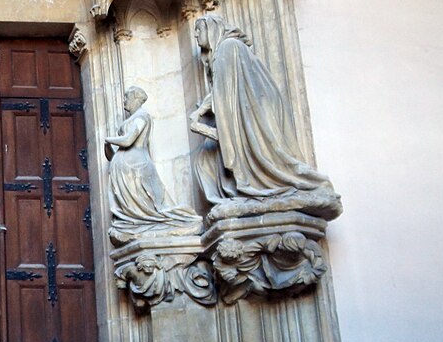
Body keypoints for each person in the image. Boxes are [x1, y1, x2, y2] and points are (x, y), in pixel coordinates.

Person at [190, 14, 332, 199]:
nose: (196, 35)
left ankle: (269, 185)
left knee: (264, 157)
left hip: (253, 113)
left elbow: (224, 90)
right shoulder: (222, 52)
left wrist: (200, 112)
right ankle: (238, 192)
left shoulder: (228, 47)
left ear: (211, 29)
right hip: (247, 111)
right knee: (204, 162)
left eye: (199, 30)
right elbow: (221, 88)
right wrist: (201, 111)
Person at [104, 86, 200, 242]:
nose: (124, 101)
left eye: (127, 97)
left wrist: (109, 139)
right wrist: (107, 146)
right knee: (136, 211)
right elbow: (112, 156)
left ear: (136, 98)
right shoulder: (134, 118)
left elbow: (128, 140)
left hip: (137, 168)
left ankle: (176, 224)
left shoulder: (142, 117)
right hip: (127, 171)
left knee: (152, 208)